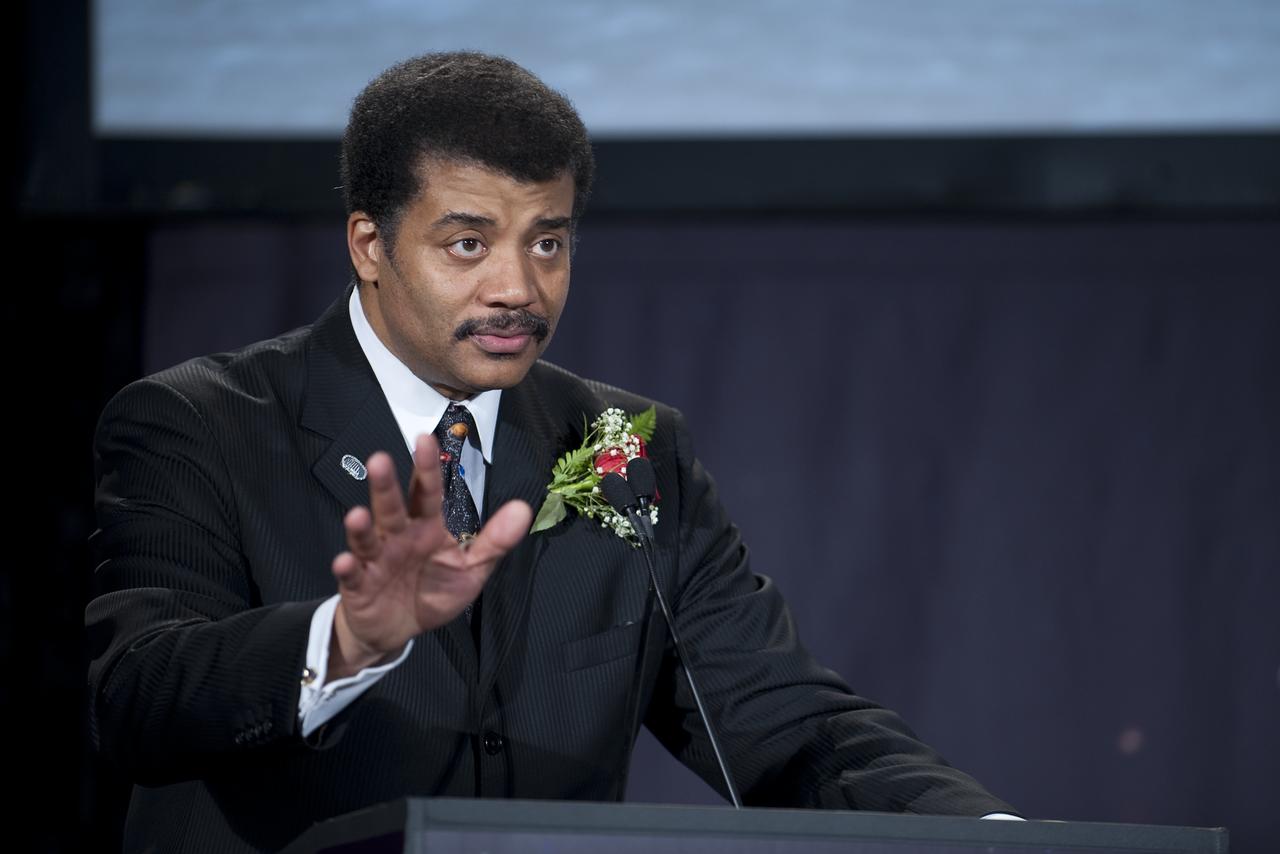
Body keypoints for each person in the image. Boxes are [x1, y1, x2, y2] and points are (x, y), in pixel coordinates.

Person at [87, 52, 1019, 853]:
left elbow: (782, 723)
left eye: (549, 242)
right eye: (467, 243)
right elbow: (139, 700)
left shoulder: (626, 451)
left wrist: (986, 836)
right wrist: (346, 640)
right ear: (370, 245)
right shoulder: (199, 423)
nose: (517, 287)